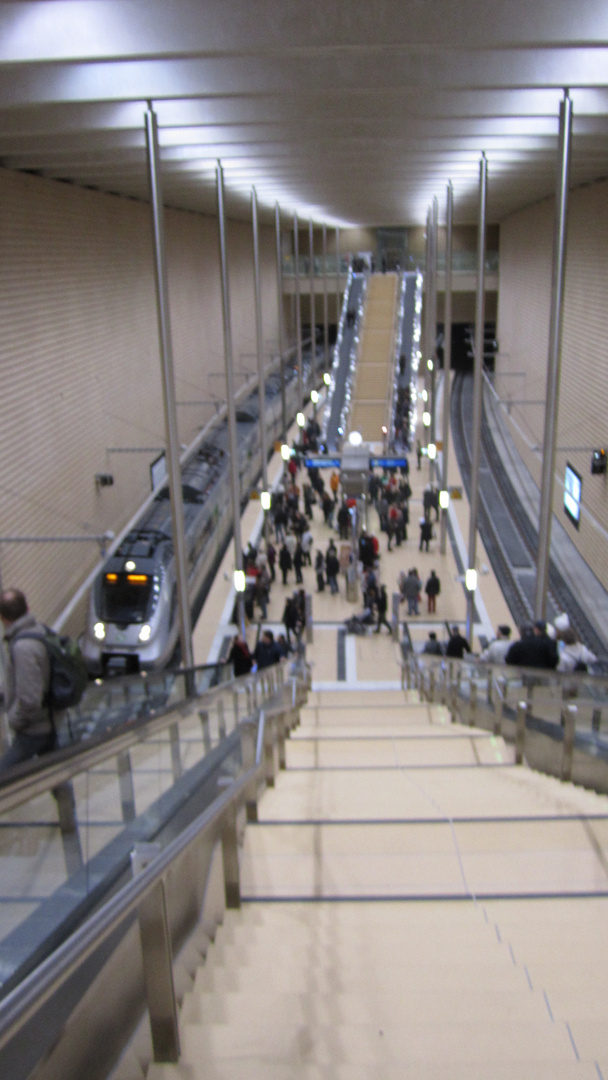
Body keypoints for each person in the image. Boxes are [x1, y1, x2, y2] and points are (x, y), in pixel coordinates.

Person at [0, 588, 57, 770]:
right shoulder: (40, 631)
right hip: (49, 719)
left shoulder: (23, 647)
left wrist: (14, 719)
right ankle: (66, 799)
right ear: (28, 607)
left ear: (3, 617)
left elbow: (30, 698)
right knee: (54, 774)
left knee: (6, 776)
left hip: (33, 728)